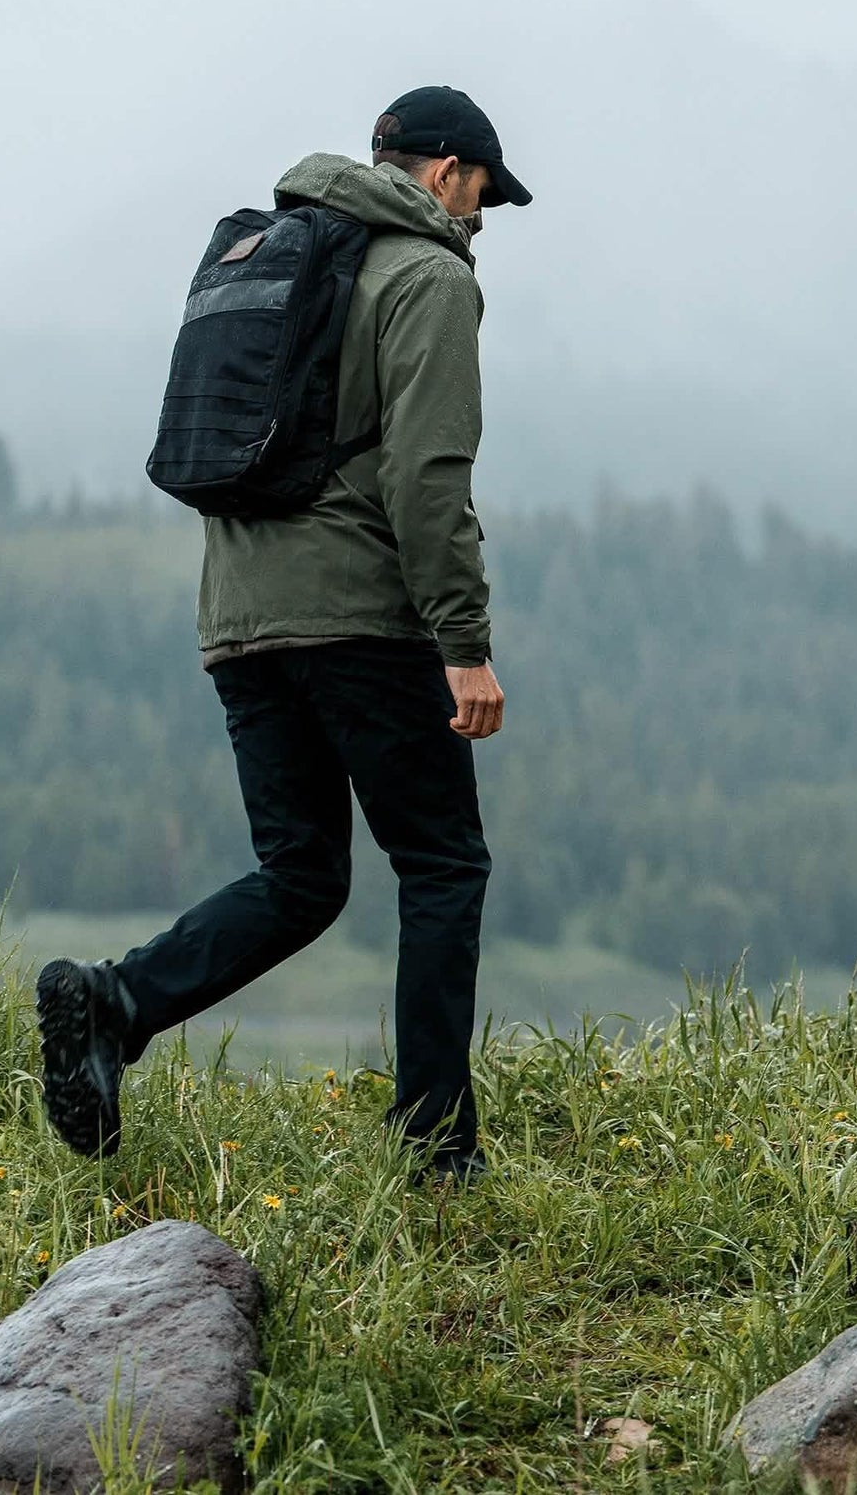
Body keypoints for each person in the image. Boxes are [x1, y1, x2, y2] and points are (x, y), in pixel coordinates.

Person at [35, 85, 530, 1181]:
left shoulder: (280, 252)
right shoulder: (427, 276)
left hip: (240, 619)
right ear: (446, 173)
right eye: (483, 197)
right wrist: (464, 644)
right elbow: (427, 474)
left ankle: (117, 1001)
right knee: (442, 864)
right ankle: (437, 1148)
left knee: (302, 873)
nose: (482, 220)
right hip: (361, 618)